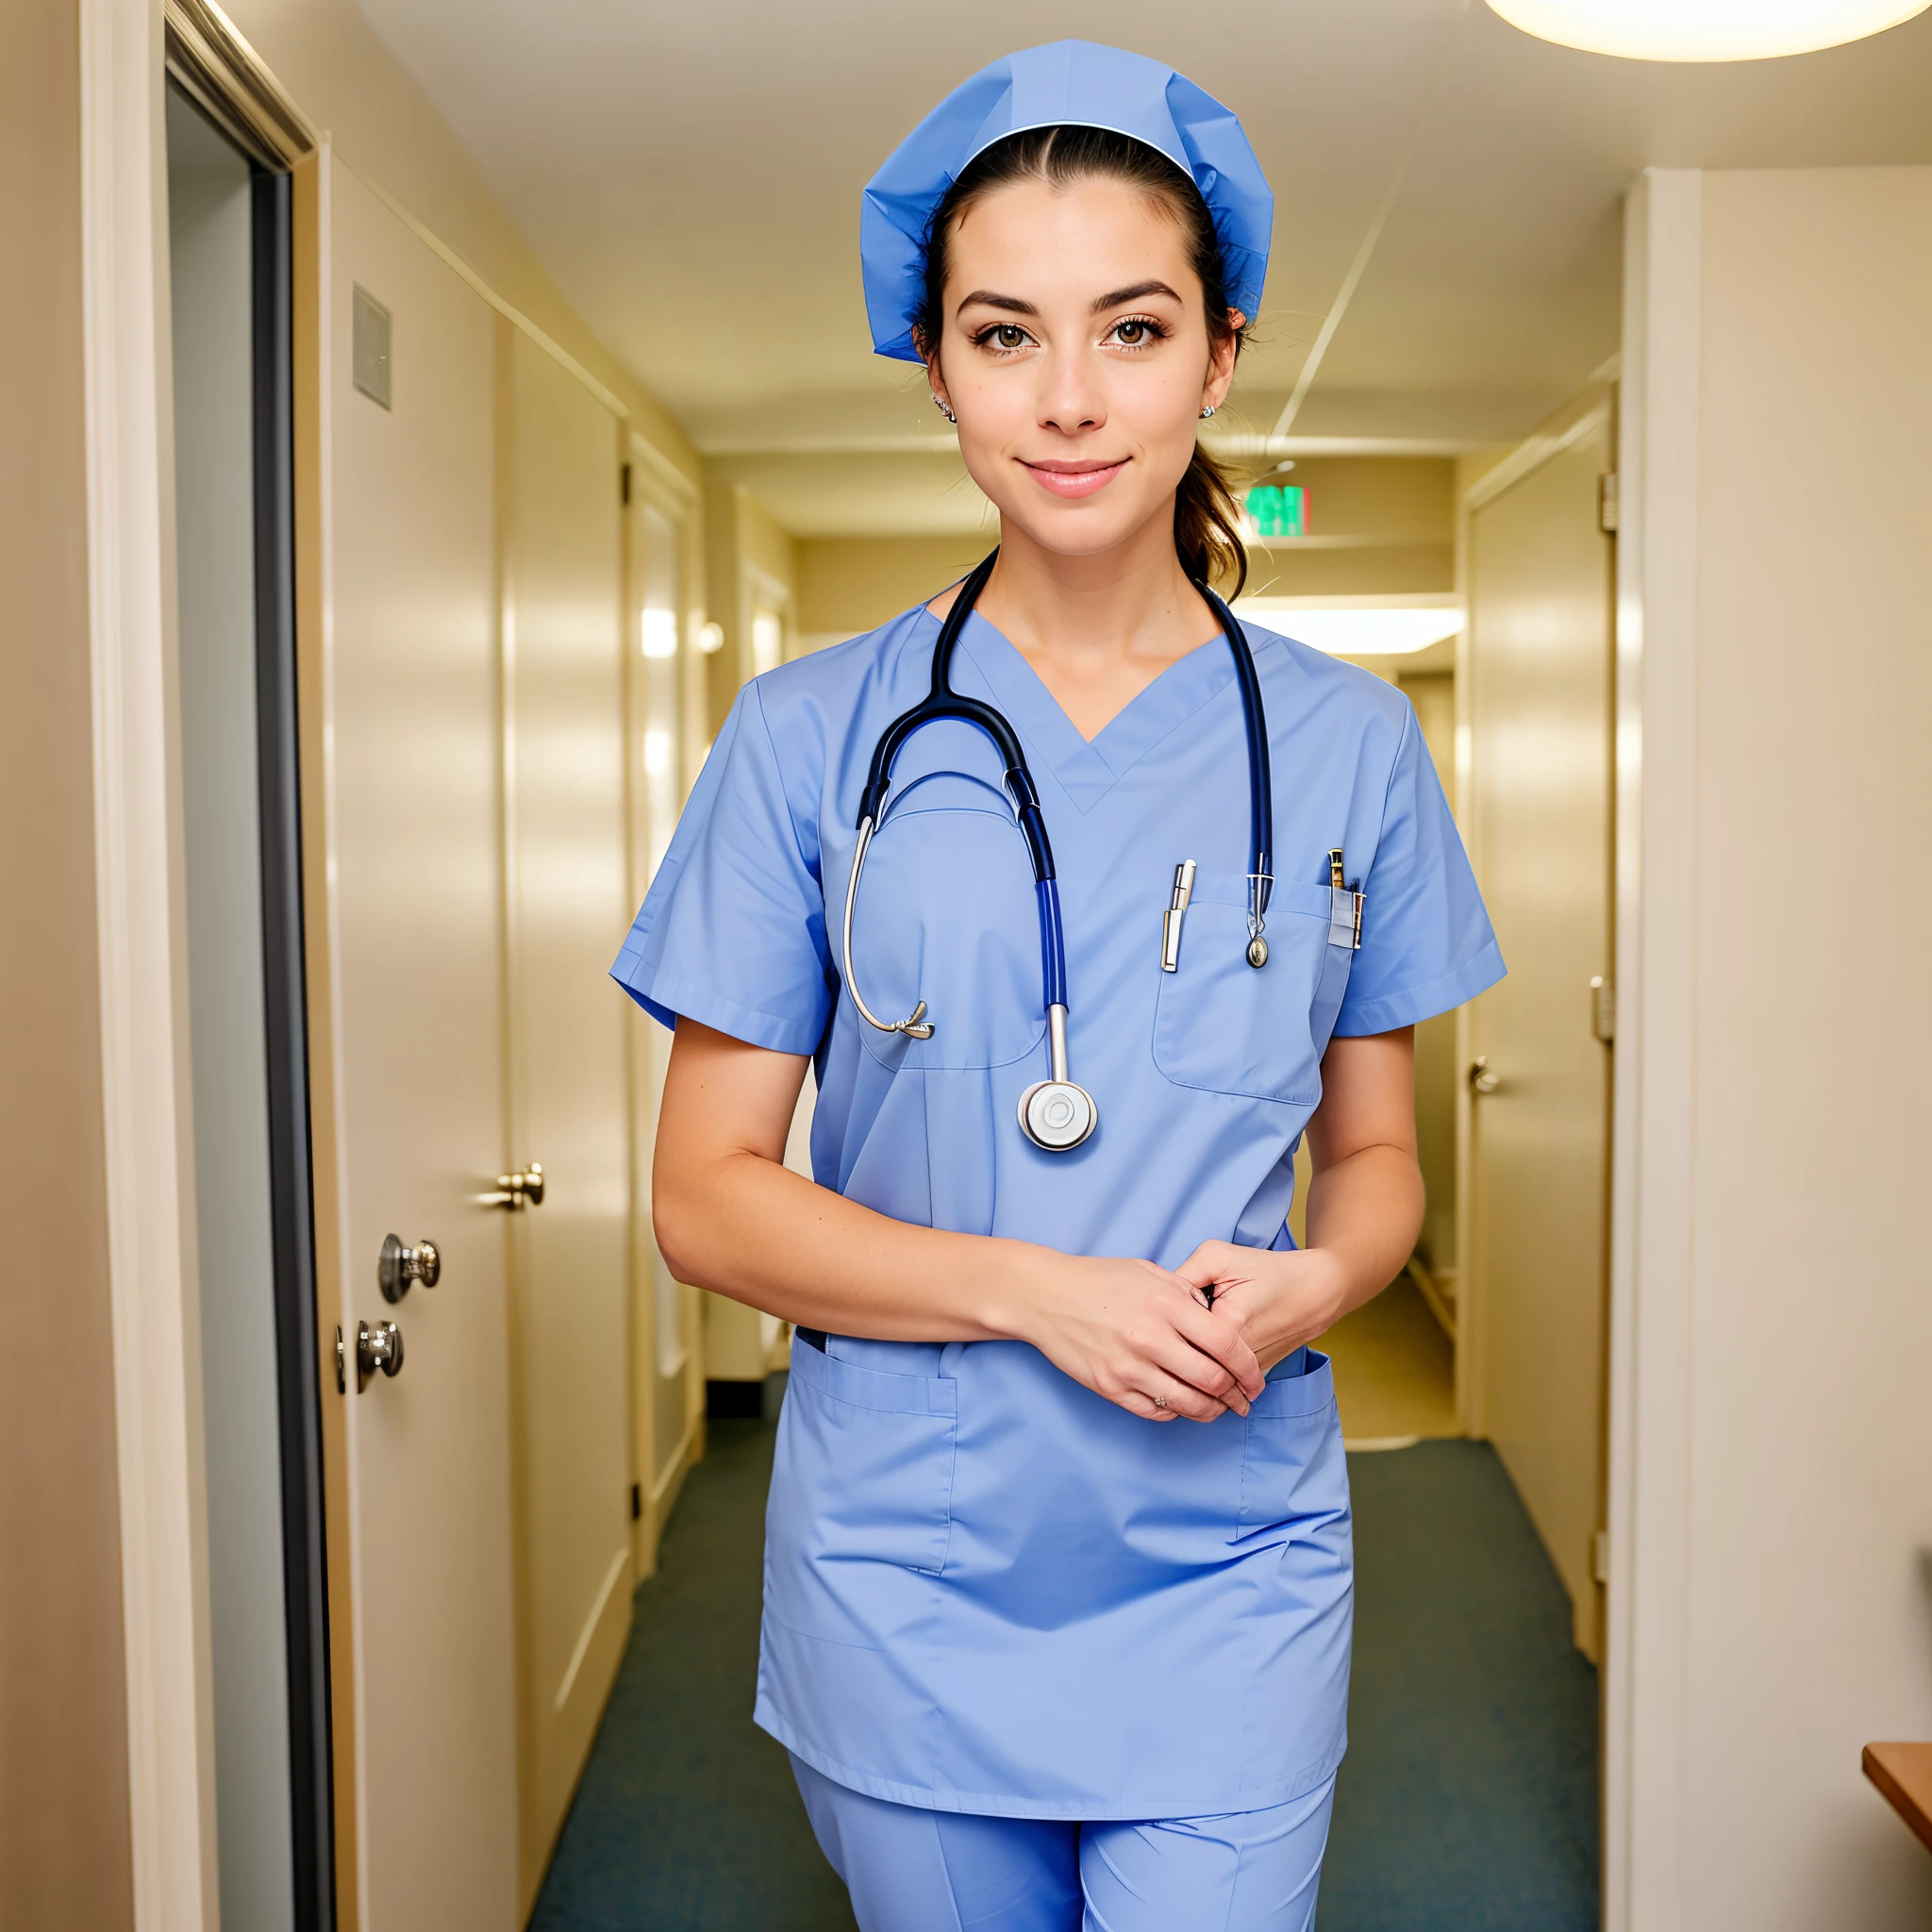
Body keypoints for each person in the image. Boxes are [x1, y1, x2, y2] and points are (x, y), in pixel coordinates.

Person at [613, 41, 1503, 1930]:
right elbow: (703, 1197)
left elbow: (1376, 1161)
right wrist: (1041, 1295)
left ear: (1222, 350)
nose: (1075, 397)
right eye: (1006, 334)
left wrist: (1323, 1279)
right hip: (913, 1559)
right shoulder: (802, 737)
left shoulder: (1347, 747)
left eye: (1135, 326)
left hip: (1224, 1549)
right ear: (932, 362)